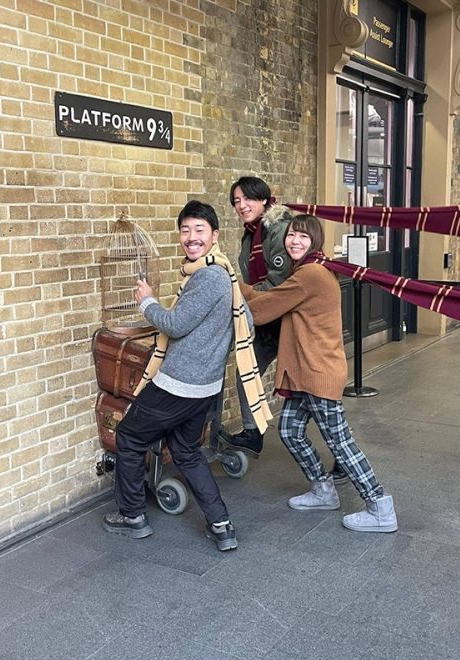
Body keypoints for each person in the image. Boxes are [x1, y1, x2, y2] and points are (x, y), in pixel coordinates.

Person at [102, 200, 269, 551]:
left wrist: (147, 302)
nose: (191, 237)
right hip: (203, 388)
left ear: (214, 235)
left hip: (178, 385)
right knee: (186, 450)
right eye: (185, 230)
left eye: (199, 230)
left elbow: (175, 325)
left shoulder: (208, 277)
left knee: (129, 437)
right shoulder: (223, 272)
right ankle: (221, 525)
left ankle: (132, 516)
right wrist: (210, 345)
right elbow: (247, 322)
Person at [239, 214, 398, 532]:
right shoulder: (309, 270)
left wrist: (230, 284)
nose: (294, 241)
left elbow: (263, 309)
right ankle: (323, 490)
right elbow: (270, 300)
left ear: (315, 241)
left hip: (317, 371)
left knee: (340, 442)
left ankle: (380, 506)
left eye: (303, 236)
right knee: (290, 431)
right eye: (291, 235)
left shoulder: (309, 274)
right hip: (306, 371)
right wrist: (237, 286)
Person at [218, 176, 349, 485]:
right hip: (270, 320)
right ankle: (253, 433)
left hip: (290, 319)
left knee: (318, 394)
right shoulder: (251, 235)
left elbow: (279, 282)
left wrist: (242, 297)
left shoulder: (277, 229)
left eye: (248, 199)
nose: (241, 206)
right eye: (236, 201)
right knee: (247, 371)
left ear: (264, 199)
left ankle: (343, 456)